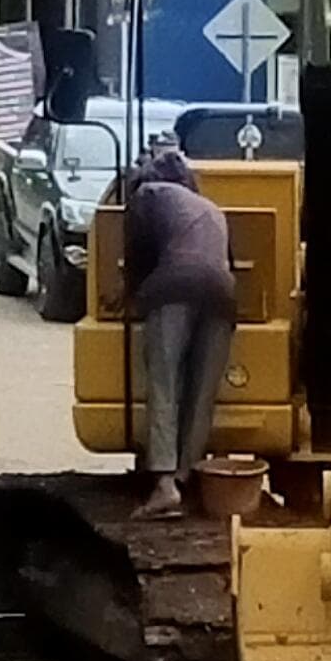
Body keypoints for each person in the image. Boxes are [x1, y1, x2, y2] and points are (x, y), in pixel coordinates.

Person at [124, 146, 235, 516]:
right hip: (223, 295)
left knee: (165, 383)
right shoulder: (212, 208)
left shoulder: (146, 195)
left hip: (172, 287)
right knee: (201, 392)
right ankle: (186, 477)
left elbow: (138, 254)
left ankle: (164, 485)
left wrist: (131, 296)